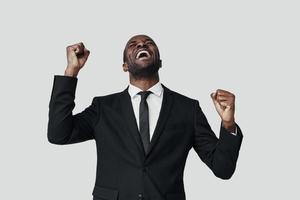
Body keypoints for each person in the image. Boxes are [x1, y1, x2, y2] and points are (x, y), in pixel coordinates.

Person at [47, 34, 243, 200]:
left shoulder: (187, 109)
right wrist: (71, 72)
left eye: (148, 43)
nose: (141, 45)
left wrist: (228, 124)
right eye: (133, 45)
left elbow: (223, 169)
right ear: (125, 66)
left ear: (160, 62)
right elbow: (58, 134)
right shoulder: (103, 108)